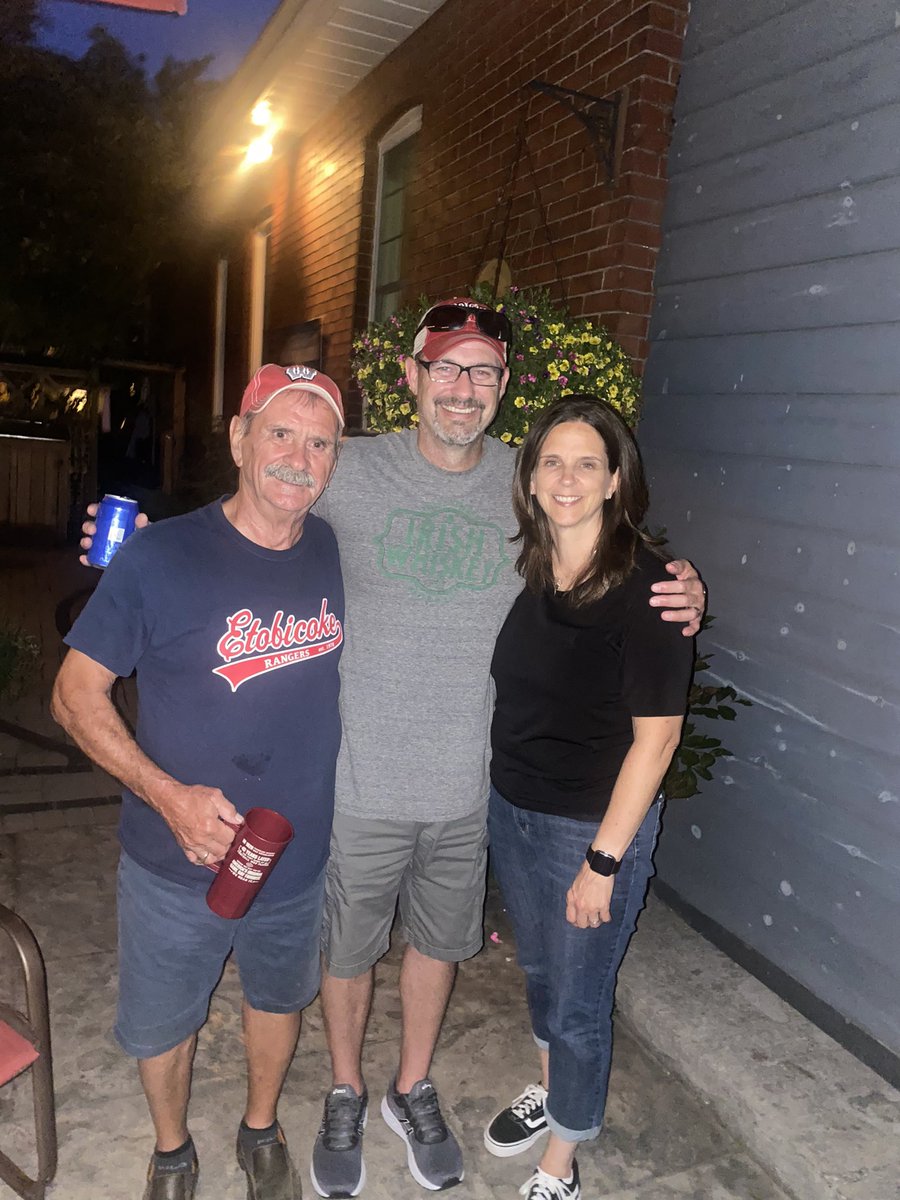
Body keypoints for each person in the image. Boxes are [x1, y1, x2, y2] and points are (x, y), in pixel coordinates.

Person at [81, 300, 706, 1196]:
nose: (462, 388)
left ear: (502, 391)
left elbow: (601, 548)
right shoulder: (349, 465)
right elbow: (265, 488)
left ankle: (412, 1086)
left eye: (482, 372)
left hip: (467, 787)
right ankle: (344, 1089)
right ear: (409, 378)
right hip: (358, 781)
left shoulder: (526, 480)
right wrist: (149, 545)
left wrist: (678, 582)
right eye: (445, 368)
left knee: (439, 948)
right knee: (345, 950)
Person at [54, 365, 346, 1200]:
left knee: (277, 999)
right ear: (238, 437)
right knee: (162, 1023)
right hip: (172, 857)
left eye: (319, 441)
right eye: (280, 432)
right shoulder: (160, 553)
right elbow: (73, 697)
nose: (298, 456)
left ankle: (260, 1128)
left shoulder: (336, 547)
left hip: (296, 852)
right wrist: (165, 795)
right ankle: (173, 1149)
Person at [482, 394, 695, 1200]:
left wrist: (602, 862)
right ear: (531, 479)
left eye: (587, 463)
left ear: (615, 481)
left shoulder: (649, 590)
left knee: (578, 1006)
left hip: (593, 831)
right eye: (551, 461)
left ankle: (561, 1162)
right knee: (540, 975)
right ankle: (553, 1092)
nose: (566, 477)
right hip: (516, 812)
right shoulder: (535, 567)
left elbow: (659, 739)